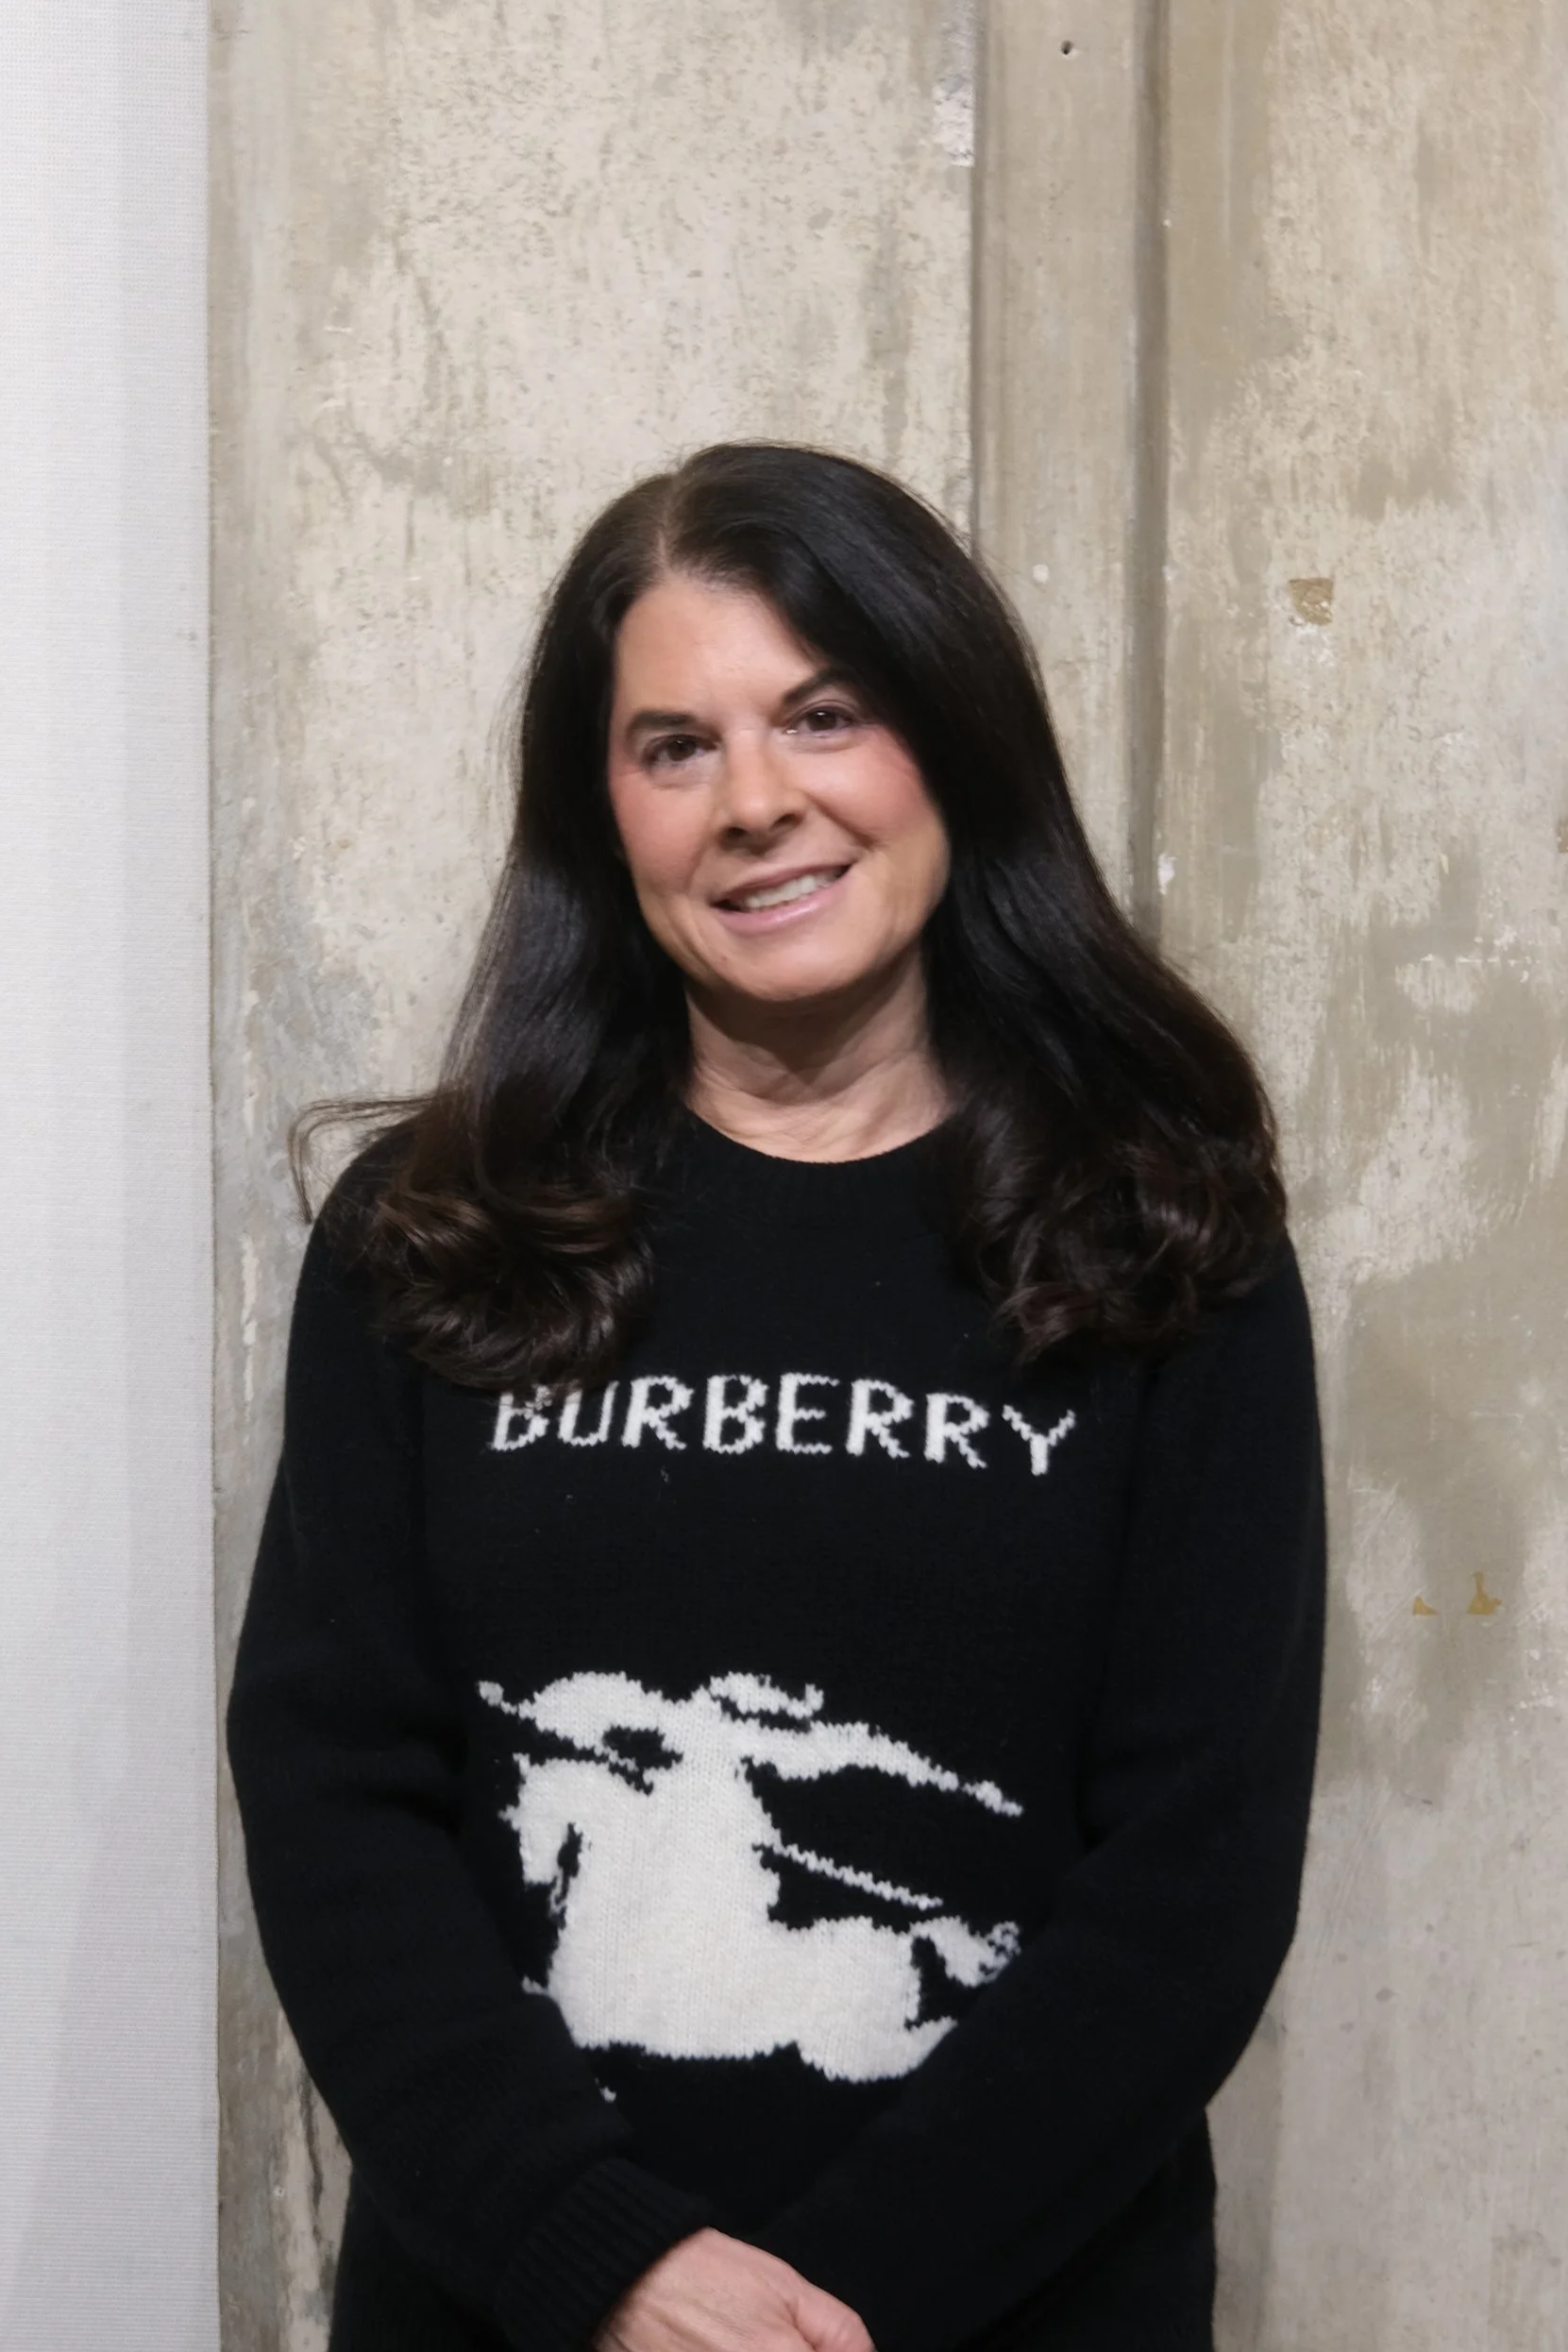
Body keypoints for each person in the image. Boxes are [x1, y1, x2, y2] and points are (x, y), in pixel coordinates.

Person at [228, 443, 1324, 2352]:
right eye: (673, 746)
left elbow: (1192, 1871)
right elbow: (338, 1801)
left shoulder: (1152, 1240)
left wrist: (833, 2310)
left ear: (949, 746)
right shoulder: (434, 1238)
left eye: (823, 713)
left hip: (1008, 2313)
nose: (755, 804)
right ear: (602, 812)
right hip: (518, 2310)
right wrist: (607, 2261)